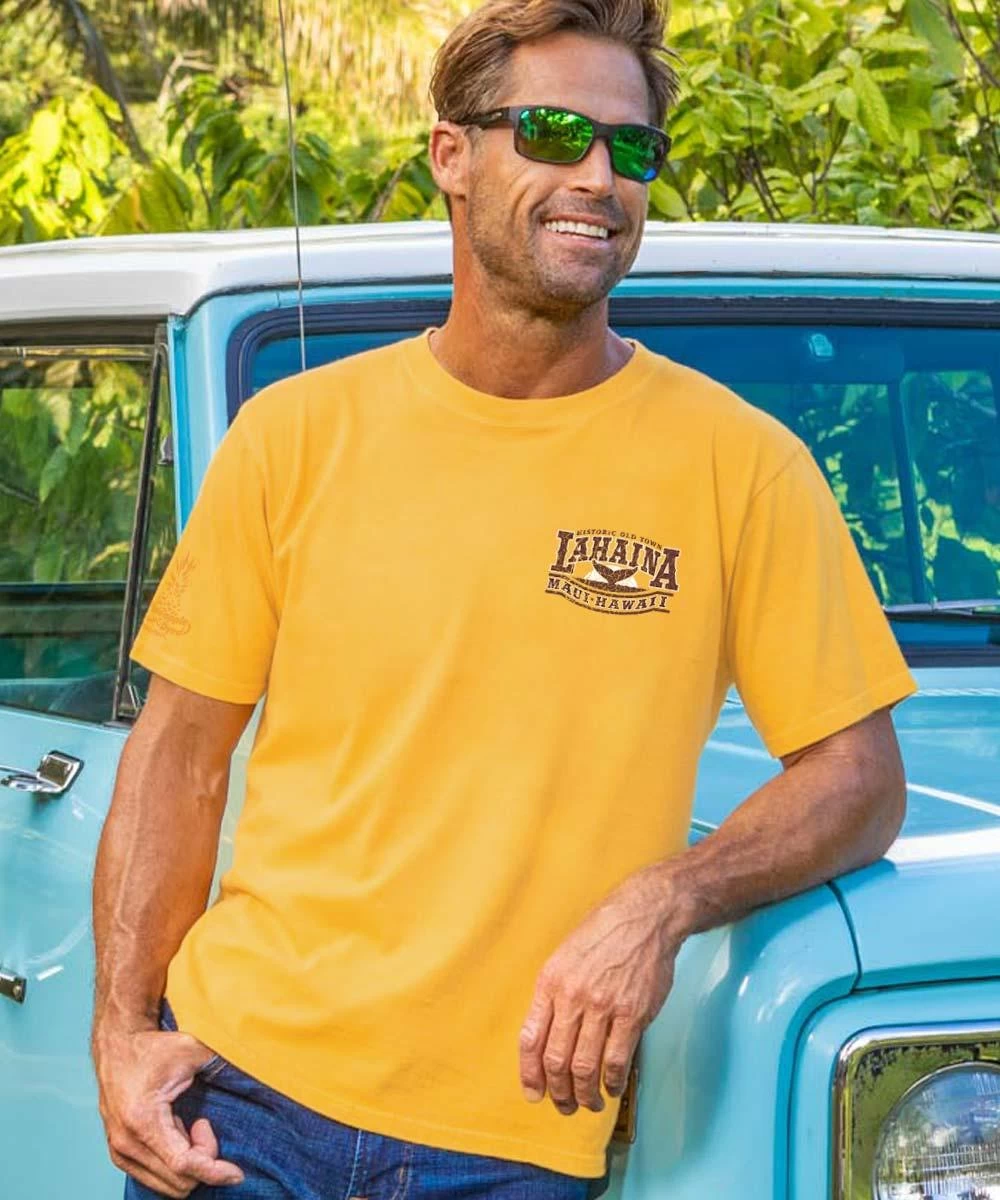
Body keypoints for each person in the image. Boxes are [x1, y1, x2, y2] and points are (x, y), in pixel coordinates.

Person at [91, 0, 918, 1197]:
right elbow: (178, 755)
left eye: (631, 149)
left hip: (518, 1138)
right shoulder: (294, 436)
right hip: (241, 1109)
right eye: (553, 133)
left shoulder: (742, 466)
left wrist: (664, 900)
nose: (598, 178)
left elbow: (860, 776)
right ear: (452, 154)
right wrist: (123, 1033)